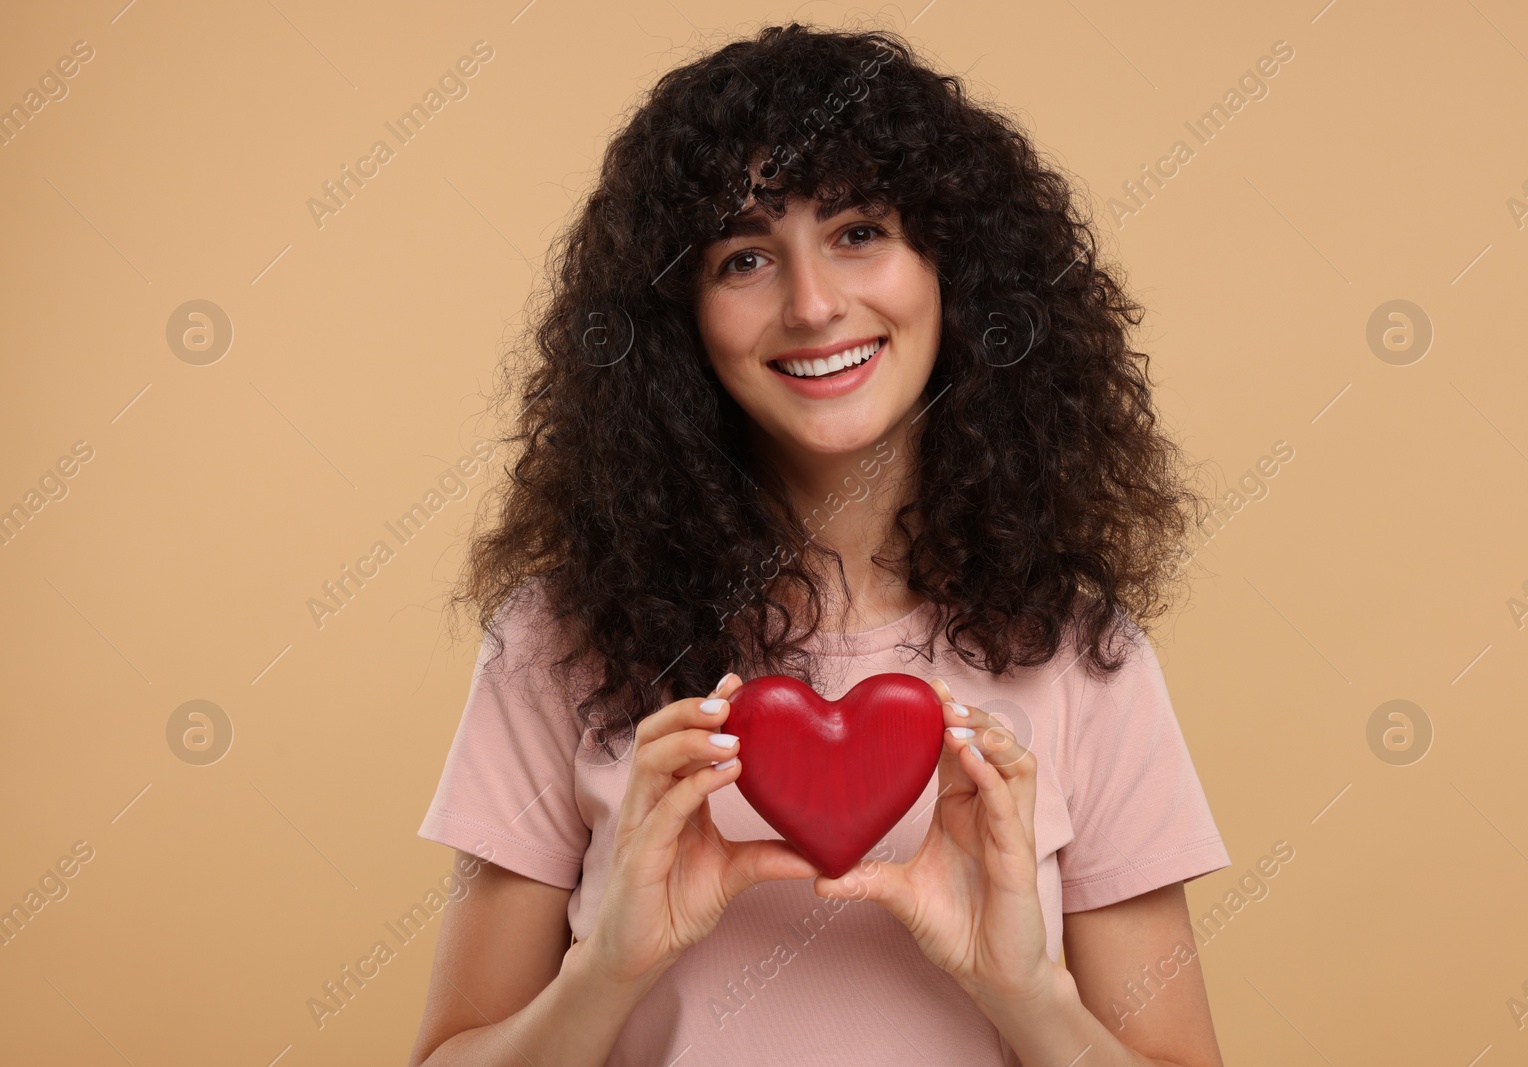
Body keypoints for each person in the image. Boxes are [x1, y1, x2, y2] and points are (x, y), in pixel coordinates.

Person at [409, 22, 1230, 1067]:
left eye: (857, 232)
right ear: (679, 318)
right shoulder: (554, 640)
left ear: (954, 267)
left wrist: (1022, 990)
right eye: (743, 255)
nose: (810, 303)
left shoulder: (1079, 651)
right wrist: (606, 963)